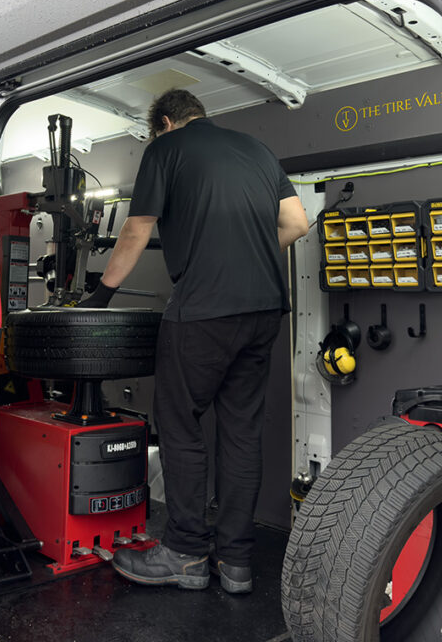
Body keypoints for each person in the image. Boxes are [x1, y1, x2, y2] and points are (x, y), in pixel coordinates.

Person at [78, 89, 309, 593]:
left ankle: (183, 553)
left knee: (181, 425)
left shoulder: (166, 149)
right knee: (242, 432)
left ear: (164, 122)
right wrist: (246, 257)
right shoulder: (258, 150)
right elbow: (297, 222)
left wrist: (99, 297)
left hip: (203, 309)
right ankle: (236, 564)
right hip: (265, 309)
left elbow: (137, 229)